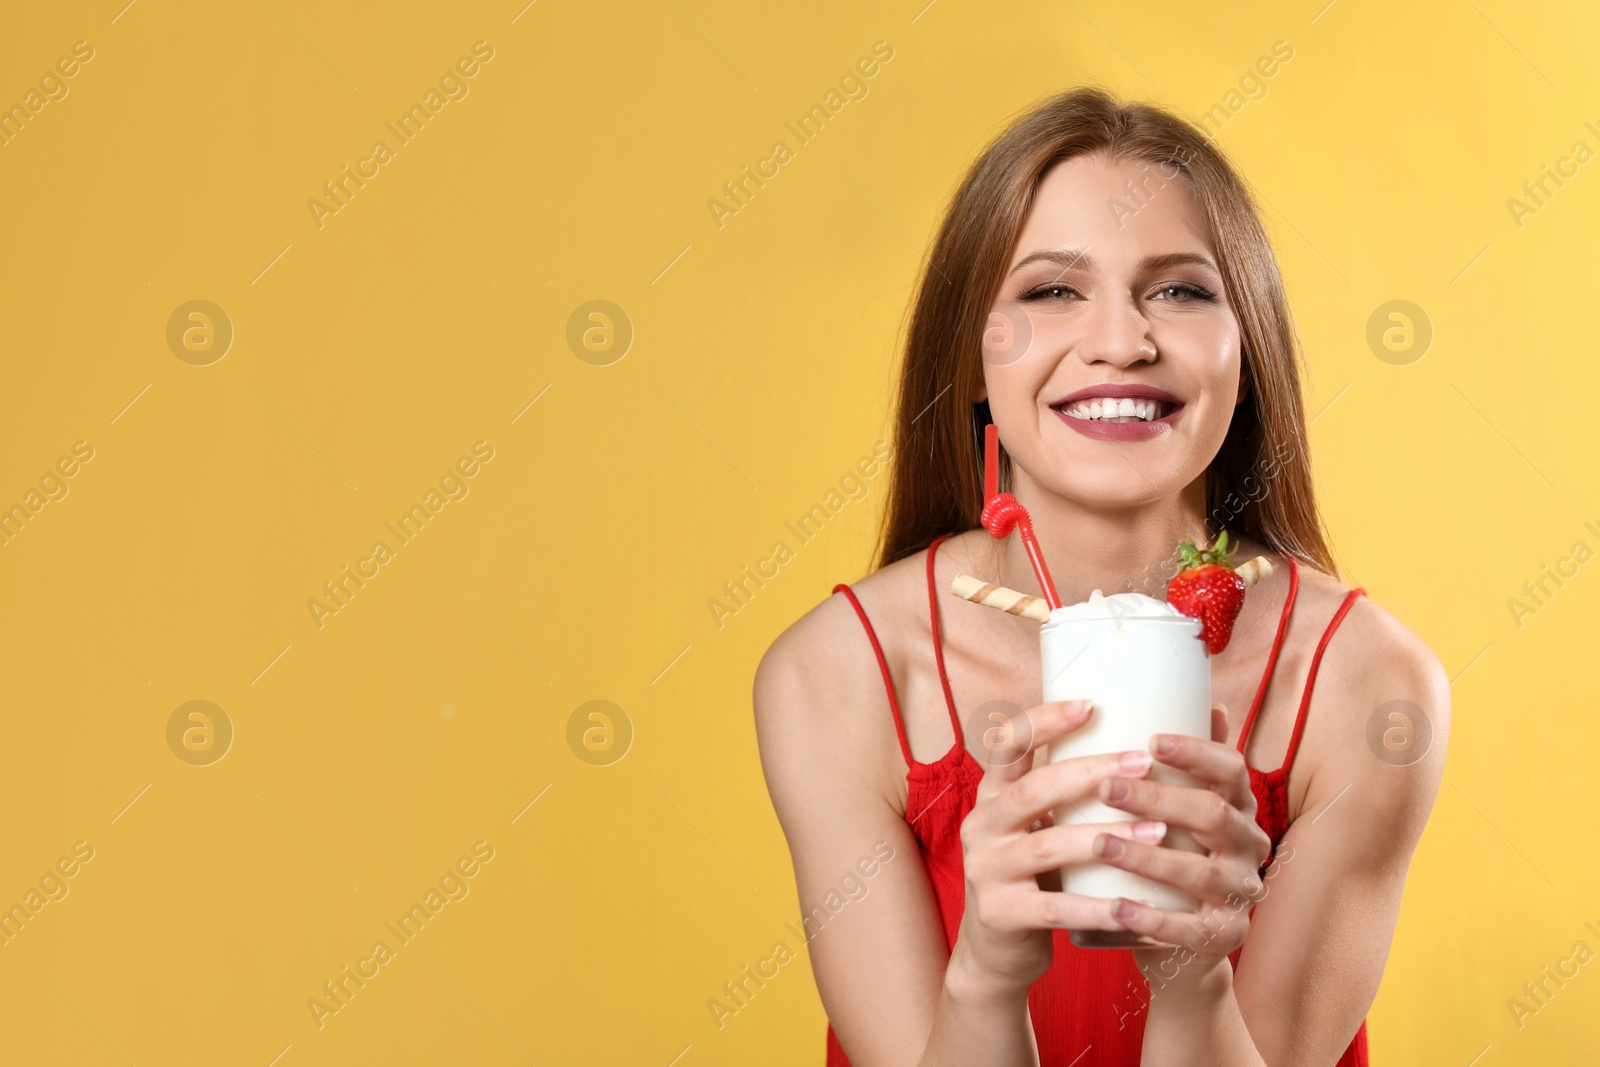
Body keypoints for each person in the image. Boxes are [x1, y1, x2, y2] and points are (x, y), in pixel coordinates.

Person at [753, 86, 1449, 1065]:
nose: (1120, 340)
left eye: (1180, 288)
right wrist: (989, 971)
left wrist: (1189, 970)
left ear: (1244, 354)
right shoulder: (836, 675)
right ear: (973, 358)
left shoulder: (1371, 686)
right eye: (1050, 290)